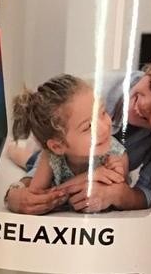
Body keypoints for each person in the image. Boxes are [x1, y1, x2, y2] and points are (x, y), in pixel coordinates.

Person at [6, 50, 151, 214]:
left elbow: (131, 189)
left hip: (66, 155)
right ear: (148, 70)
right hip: (60, 152)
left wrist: (114, 192)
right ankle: (16, 150)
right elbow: (38, 188)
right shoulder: (90, 94)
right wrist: (16, 191)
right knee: (31, 159)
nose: (145, 104)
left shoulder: (116, 153)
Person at [11, 75, 128, 205]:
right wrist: (88, 177)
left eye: (103, 112)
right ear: (57, 146)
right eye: (88, 126)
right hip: (44, 157)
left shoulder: (115, 155)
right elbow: (37, 196)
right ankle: (11, 147)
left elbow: (120, 194)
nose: (105, 128)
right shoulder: (51, 156)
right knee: (25, 159)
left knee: (30, 160)